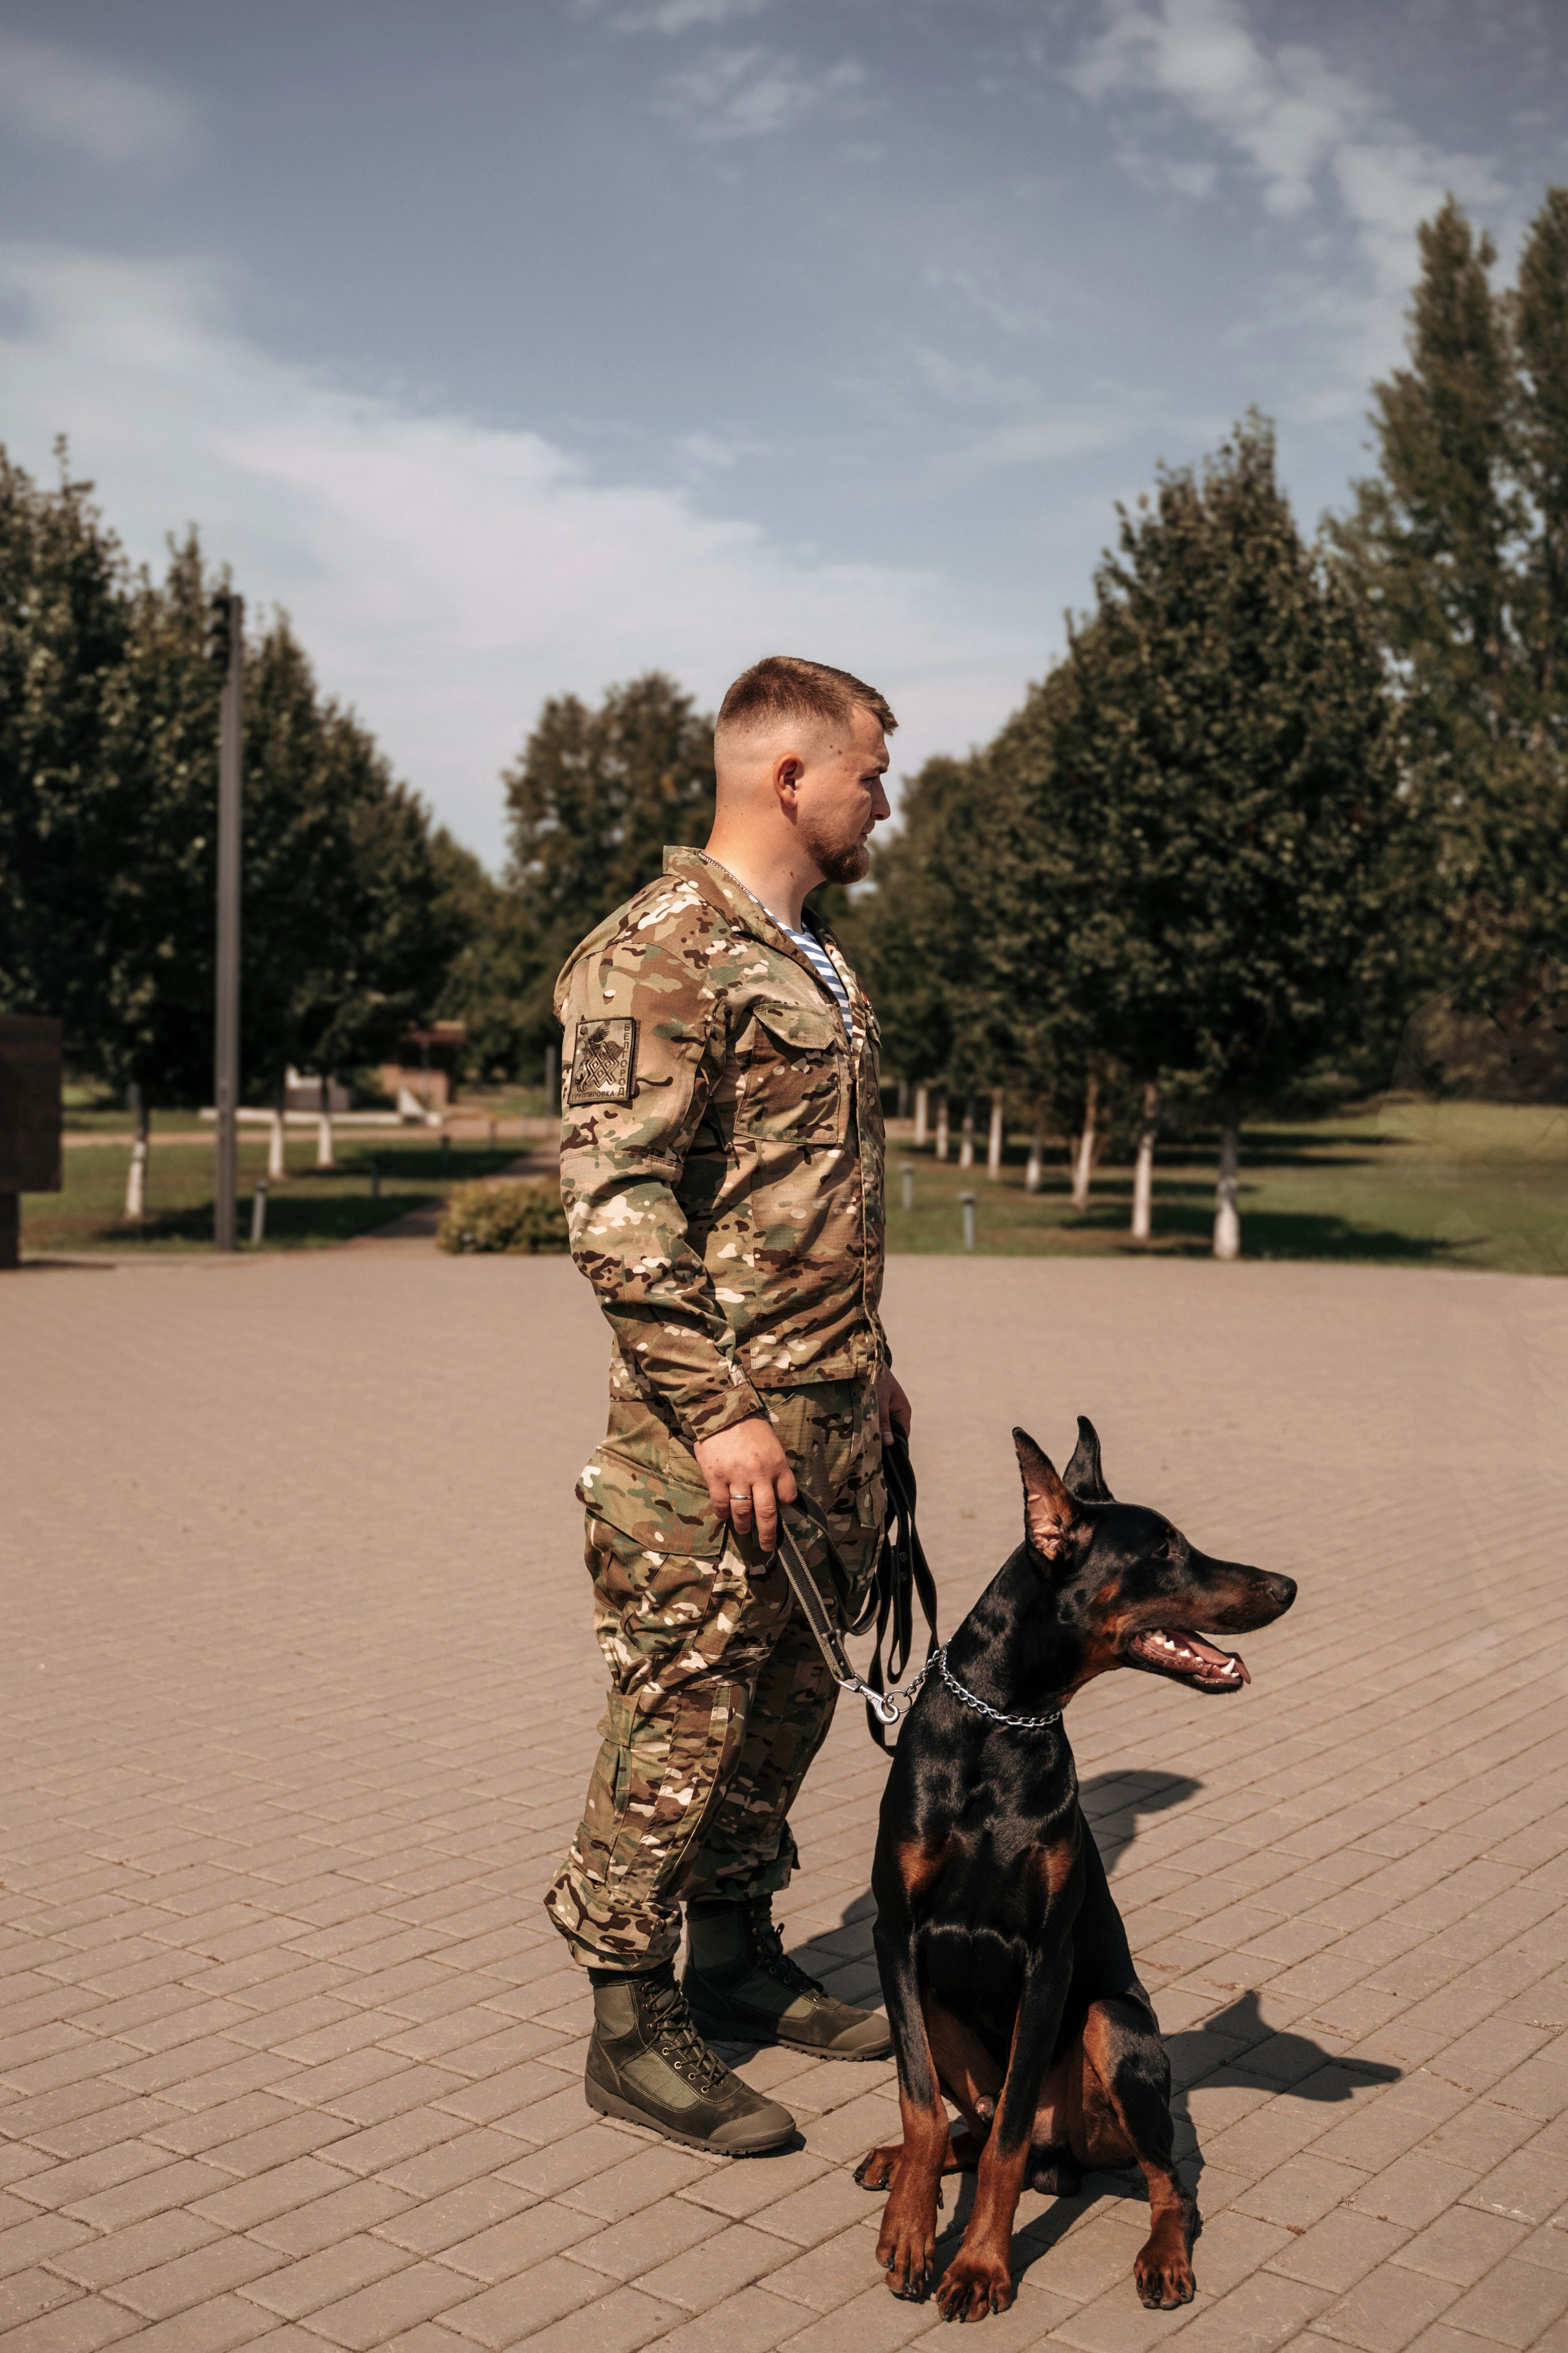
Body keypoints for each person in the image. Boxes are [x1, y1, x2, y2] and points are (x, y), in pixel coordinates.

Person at [544, 653, 913, 2155]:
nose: (884, 799)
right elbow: (613, 1202)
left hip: (829, 1412)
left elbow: (801, 1195)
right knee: (681, 1704)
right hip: (718, 1437)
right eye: (871, 773)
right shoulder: (661, 948)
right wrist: (717, 1413)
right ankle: (630, 2026)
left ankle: (740, 1957)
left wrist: (866, 1360)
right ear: (789, 776)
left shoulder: (813, 952)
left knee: (788, 1699)